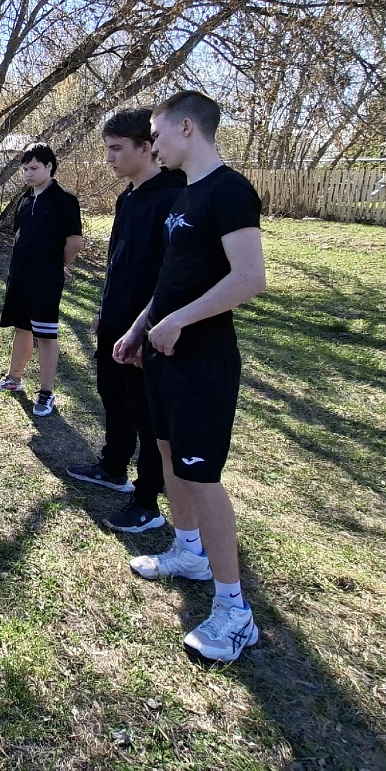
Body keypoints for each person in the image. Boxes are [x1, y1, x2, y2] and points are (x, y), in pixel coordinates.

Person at [112, 90, 267, 663]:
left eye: (156, 133)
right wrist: (140, 326)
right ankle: (188, 550)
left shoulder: (230, 191)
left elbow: (250, 278)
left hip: (203, 361)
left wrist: (177, 322)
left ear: (185, 128)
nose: (151, 143)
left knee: (203, 476)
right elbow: (173, 278)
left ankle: (234, 611)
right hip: (160, 350)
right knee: (168, 453)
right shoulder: (185, 193)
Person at [66, 109, 185, 534]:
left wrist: (145, 329)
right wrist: (105, 310)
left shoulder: (174, 196)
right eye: (108, 149)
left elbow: (172, 275)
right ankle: (113, 465)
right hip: (116, 320)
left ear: (146, 147)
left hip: (149, 328)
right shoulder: (127, 197)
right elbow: (121, 262)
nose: (110, 158)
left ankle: (147, 500)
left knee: (148, 414)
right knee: (112, 394)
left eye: (117, 149)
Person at [0, 141, 84, 417]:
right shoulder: (25, 199)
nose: (28, 174)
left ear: (49, 167)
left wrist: (57, 266)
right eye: (24, 169)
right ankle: (14, 379)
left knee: (45, 334)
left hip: (45, 281)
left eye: (34, 168)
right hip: (19, 277)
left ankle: (46, 393)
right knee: (22, 327)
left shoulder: (65, 201)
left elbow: (74, 242)